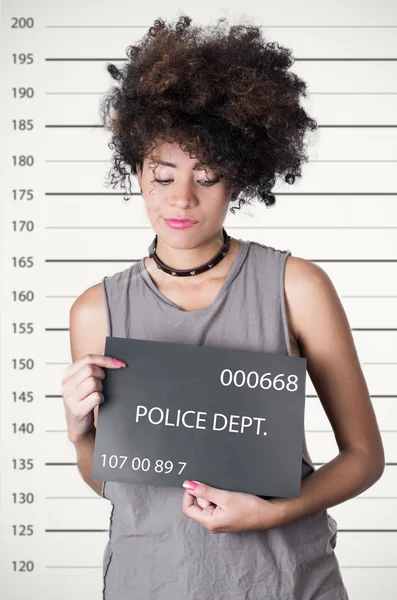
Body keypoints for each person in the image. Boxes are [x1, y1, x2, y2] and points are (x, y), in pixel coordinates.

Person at [61, 14, 384, 600]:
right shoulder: (95, 310)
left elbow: (363, 456)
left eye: (207, 176)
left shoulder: (297, 286)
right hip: (147, 582)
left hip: (287, 580)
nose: (181, 198)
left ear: (238, 178)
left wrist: (276, 512)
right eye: (163, 175)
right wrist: (80, 433)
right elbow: (115, 482)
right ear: (136, 171)